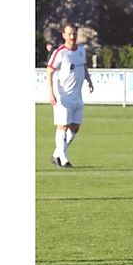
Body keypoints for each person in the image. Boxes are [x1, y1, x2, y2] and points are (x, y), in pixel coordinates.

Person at [47, 24, 94, 168]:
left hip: (77, 96)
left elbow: (84, 66)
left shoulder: (81, 50)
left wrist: (89, 81)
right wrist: (51, 93)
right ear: (64, 35)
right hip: (63, 96)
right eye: (69, 34)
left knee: (74, 128)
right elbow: (49, 72)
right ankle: (63, 159)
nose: (72, 37)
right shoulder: (60, 52)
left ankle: (57, 153)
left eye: (74, 33)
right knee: (62, 126)